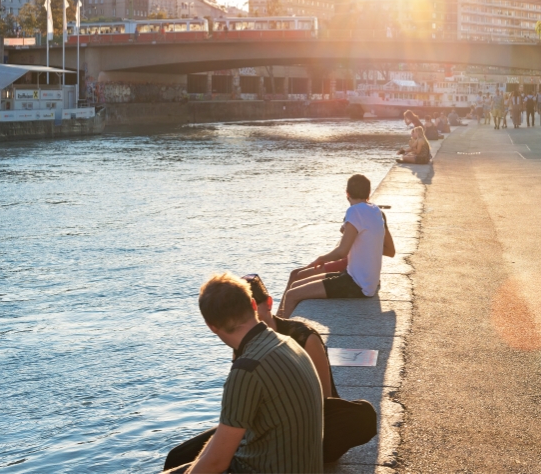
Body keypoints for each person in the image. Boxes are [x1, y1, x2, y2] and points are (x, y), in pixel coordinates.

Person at [165, 275, 378, 471]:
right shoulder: (289, 343)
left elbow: (217, 462)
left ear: (211, 326)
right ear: (251, 304)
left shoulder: (247, 369)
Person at [277, 175, 387, 318]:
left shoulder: (354, 211)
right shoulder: (375, 210)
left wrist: (321, 258)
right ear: (368, 192)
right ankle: (277, 322)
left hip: (357, 285)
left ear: (347, 193)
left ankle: (277, 332)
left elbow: (342, 252)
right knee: (295, 285)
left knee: (292, 294)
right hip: (361, 279)